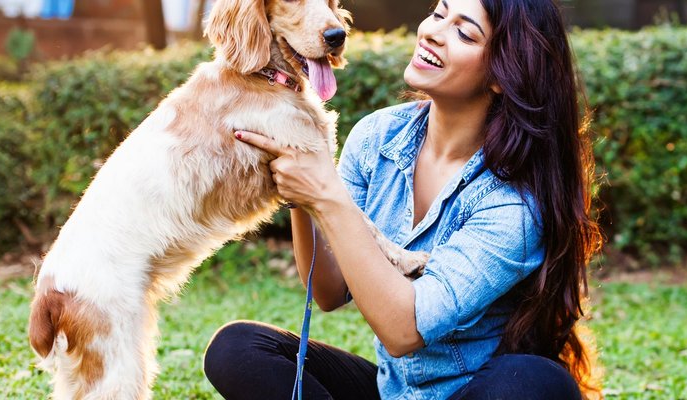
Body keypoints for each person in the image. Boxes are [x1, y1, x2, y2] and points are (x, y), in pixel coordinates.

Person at [202, 0, 602, 398]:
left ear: (503, 74)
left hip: (477, 392)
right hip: (394, 391)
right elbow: (327, 290)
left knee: (533, 382)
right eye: (439, 14)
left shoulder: (514, 204)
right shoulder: (377, 136)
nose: (432, 32)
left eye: (464, 33)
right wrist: (298, 188)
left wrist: (325, 195)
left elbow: (403, 331)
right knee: (238, 348)